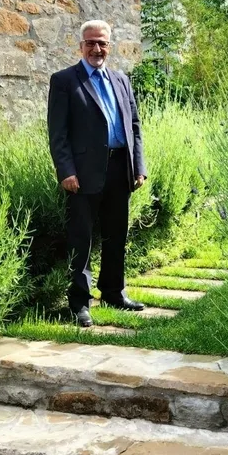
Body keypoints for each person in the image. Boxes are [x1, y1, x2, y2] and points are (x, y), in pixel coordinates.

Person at [47, 20, 147, 327]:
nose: (97, 48)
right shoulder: (64, 80)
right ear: (81, 46)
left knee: (117, 236)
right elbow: (58, 133)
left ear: (109, 47)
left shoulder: (121, 80)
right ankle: (80, 303)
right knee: (82, 240)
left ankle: (114, 293)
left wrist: (139, 167)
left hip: (120, 169)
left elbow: (134, 126)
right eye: (90, 42)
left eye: (102, 43)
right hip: (83, 173)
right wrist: (66, 171)